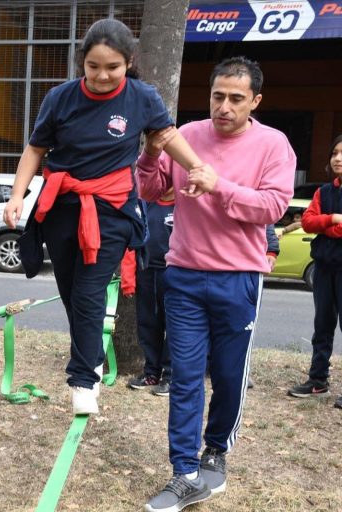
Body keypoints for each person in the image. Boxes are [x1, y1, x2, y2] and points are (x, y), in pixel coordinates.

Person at [2, 19, 204, 417]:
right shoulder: (60, 98)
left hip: (111, 208)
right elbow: (35, 149)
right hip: (61, 205)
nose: (102, 75)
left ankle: (83, 380)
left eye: (112, 67)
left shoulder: (142, 98)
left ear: (129, 62)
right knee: (70, 289)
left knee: (90, 290)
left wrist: (197, 168)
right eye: (93, 66)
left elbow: (168, 136)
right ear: (83, 62)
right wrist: (16, 196)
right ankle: (91, 355)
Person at [137, 56, 295, 511]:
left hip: (238, 278)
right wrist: (150, 153)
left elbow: (272, 208)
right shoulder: (186, 136)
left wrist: (217, 184)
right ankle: (184, 472)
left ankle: (216, 451)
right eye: (217, 96)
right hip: (184, 275)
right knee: (185, 377)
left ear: (256, 101)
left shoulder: (274, 145)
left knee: (227, 377)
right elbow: (151, 190)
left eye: (236, 99)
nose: (224, 107)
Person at [288, 134, 342, 410]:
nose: (338, 158)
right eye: (334, 153)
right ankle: (317, 379)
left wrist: (323, 227)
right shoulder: (323, 192)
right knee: (322, 325)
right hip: (323, 267)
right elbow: (307, 222)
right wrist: (332, 219)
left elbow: (313, 223)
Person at [127, 189, 174, 397]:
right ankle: (151, 372)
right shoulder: (146, 204)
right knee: (148, 324)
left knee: (174, 327)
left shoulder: (183, 205)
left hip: (174, 273)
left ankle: (171, 376)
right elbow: (133, 240)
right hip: (147, 272)